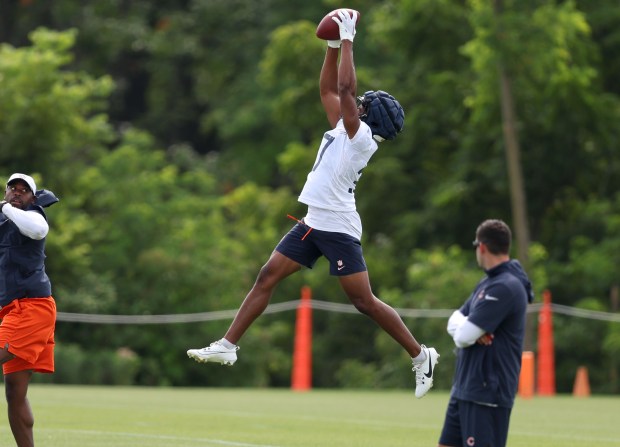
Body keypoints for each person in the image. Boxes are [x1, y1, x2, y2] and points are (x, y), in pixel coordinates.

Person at [187, 10, 439, 398]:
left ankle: (422, 355)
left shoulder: (360, 138)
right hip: (313, 220)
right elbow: (328, 90)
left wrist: (350, 39)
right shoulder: (346, 126)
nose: (360, 102)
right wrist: (331, 47)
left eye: (364, 103)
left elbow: (346, 90)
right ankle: (228, 346)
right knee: (267, 275)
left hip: (337, 227)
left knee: (363, 301)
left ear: (370, 116)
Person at [438, 219, 534, 447]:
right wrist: (469, 327)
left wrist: (467, 328)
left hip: (487, 393)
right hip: (465, 387)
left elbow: (461, 338)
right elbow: (455, 320)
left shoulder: (505, 287)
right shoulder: (488, 283)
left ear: (481, 246)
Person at [0, 173, 59, 447]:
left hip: (32, 307)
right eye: (12, 189)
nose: (17, 193)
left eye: (23, 191)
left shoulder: (34, 216)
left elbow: (36, 231)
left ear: (33, 198)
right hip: (12, 309)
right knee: (15, 391)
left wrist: (5, 207)